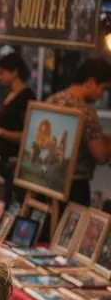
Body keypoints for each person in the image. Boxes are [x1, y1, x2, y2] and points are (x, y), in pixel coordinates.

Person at [47, 56, 111, 206]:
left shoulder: (52, 100)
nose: (102, 95)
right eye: (103, 89)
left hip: (46, 180)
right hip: (73, 187)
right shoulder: (85, 111)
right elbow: (101, 155)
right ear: (90, 82)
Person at [0, 51, 36, 193]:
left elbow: (28, 135)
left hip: (10, 161)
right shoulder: (10, 94)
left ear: (15, 72)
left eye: (1, 73)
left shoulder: (27, 97)